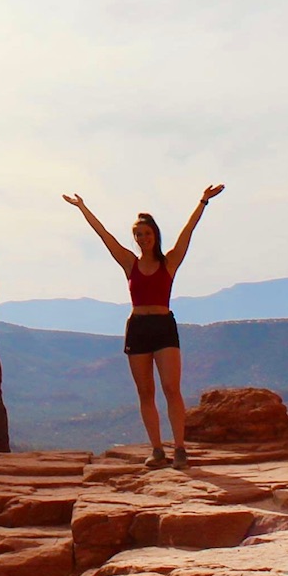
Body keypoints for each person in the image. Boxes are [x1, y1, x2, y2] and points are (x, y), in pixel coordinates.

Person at [62, 184, 225, 470]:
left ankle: (180, 448)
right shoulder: (129, 263)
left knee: (171, 389)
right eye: (138, 234)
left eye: (147, 234)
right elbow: (105, 236)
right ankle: (157, 449)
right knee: (145, 392)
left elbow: (188, 232)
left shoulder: (169, 262)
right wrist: (83, 208)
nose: (142, 238)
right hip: (138, 327)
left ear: (155, 236)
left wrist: (203, 201)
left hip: (163, 326)